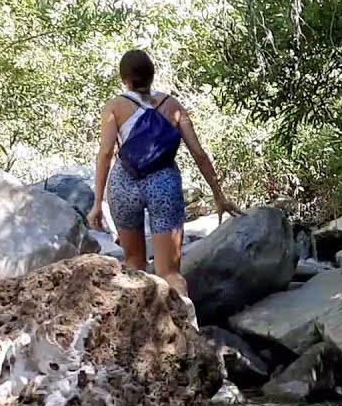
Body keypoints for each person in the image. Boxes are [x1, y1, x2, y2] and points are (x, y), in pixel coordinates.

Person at [87, 49, 242, 300]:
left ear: (124, 78)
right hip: (164, 183)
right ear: (152, 74)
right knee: (169, 272)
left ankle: (137, 329)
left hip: (124, 184)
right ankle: (187, 329)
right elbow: (199, 154)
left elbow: (105, 154)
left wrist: (97, 203)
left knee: (134, 264)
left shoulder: (114, 106)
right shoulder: (173, 106)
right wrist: (219, 196)